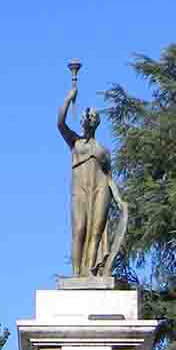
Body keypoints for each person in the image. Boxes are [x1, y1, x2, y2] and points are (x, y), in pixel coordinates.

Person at [57, 82, 126, 277]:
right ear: (83, 121)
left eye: (94, 116)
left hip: (100, 189)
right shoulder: (75, 141)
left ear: (97, 122)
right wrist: (69, 98)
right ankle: (76, 274)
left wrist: (119, 200)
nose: (90, 118)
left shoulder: (103, 151)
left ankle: (90, 272)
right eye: (88, 116)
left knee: (96, 232)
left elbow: (109, 177)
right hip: (80, 190)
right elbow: (60, 123)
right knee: (79, 230)